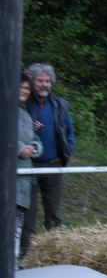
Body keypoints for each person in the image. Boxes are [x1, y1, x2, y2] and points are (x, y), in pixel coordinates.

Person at [22, 63, 75, 253]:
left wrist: (66, 152)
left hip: (54, 166)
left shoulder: (59, 105)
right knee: (27, 214)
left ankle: (53, 255)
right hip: (29, 166)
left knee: (53, 214)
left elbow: (69, 133)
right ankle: (26, 255)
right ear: (32, 82)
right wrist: (30, 128)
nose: (44, 84)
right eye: (40, 80)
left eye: (47, 81)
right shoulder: (23, 104)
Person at [16, 73, 43, 269]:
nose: (25, 91)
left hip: (24, 182)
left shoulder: (25, 115)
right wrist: (18, 148)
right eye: (21, 87)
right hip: (9, 180)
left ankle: (12, 267)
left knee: (16, 228)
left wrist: (33, 147)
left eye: (27, 88)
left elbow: (37, 141)